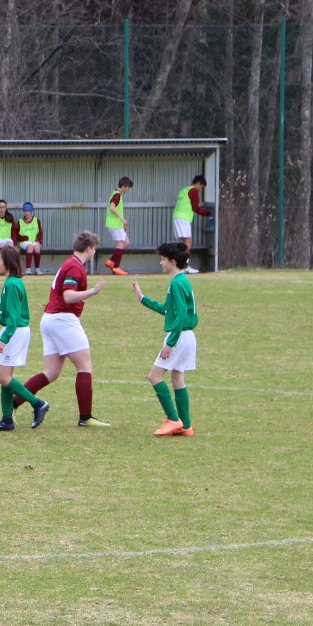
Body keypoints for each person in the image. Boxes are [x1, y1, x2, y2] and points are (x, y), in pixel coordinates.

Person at [15, 230, 110, 427]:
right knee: (85, 367)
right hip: (63, 319)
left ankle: (13, 403)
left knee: (51, 372)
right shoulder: (75, 267)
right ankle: (86, 417)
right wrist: (92, 291)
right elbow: (68, 296)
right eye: (95, 250)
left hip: (50, 319)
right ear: (89, 249)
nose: (95, 253)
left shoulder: (70, 263)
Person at [0, 243, 49, 432]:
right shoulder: (12, 283)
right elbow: (1, 310)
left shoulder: (12, 284)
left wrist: (4, 339)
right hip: (14, 331)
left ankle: (37, 403)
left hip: (15, 333)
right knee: (6, 376)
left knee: (3, 376)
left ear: (8, 262)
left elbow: (14, 318)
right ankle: (7, 419)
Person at [133, 241, 199, 436]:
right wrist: (143, 299)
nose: (160, 263)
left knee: (154, 376)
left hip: (178, 336)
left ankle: (173, 419)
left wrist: (170, 343)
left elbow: (178, 318)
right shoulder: (183, 281)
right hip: (187, 336)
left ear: (172, 261)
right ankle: (186, 426)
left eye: (162, 260)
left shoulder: (177, 283)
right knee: (177, 377)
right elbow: (169, 311)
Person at [174, 174, 212, 271]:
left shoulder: (184, 190)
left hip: (177, 217)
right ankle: (184, 265)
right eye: (201, 187)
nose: (200, 189)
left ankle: (180, 265)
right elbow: (195, 208)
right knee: (188, 241)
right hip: (184, 218)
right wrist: (208, 213)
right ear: (198, 183)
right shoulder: (194, 191)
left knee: (182, 243)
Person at [104, 177, 133, 275]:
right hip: (114, 223)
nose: (128, 190)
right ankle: (116, 268)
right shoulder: (117, 195)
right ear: (124, 186)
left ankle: (111, 262)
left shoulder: (116, 193)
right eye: (128, 187)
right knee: (120, 244)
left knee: (126, 242)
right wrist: (122, 219)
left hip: (117, 224)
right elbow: (112, 207)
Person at [13, 202, 44, 273]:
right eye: (25, 211)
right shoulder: (20, 221)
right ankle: (28, 269)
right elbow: (16, 234)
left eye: (28, 211)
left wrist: (38, 240)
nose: (26, 213)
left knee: (37, 247)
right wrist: (23, 238)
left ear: (31, 211)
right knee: (30, 247)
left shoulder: (36, 220)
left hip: (34, 241)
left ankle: (37, 268)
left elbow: (40, 232)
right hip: (24, 242)